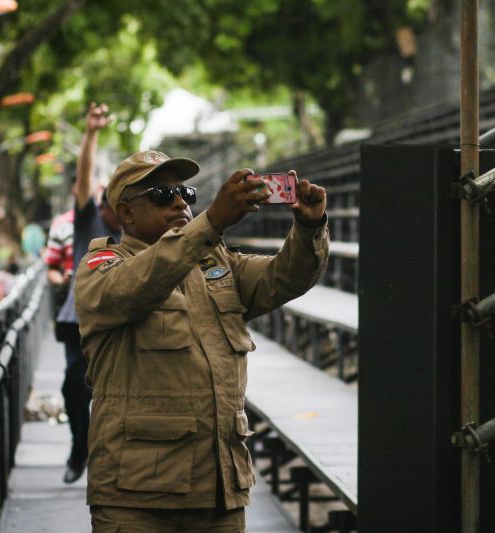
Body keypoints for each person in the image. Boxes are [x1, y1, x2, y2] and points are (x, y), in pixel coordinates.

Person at [75, 150, 328, 532]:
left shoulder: (214, 262)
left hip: (218, 492)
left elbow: (283, 277)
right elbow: (132, 288)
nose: (179, 202)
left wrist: (309, 229)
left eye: (187, 194)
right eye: (163, 194)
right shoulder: (104, 266)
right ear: (127, 213)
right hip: (138, 501)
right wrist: (210, 222)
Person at [56, 102, 120, 484]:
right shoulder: (89, 220)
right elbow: (84, 178)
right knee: (73, 389)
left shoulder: (141, 226)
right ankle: (79, 448)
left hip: (120, 321)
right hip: (79, 322)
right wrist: (91, 133)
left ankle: (108, 460)